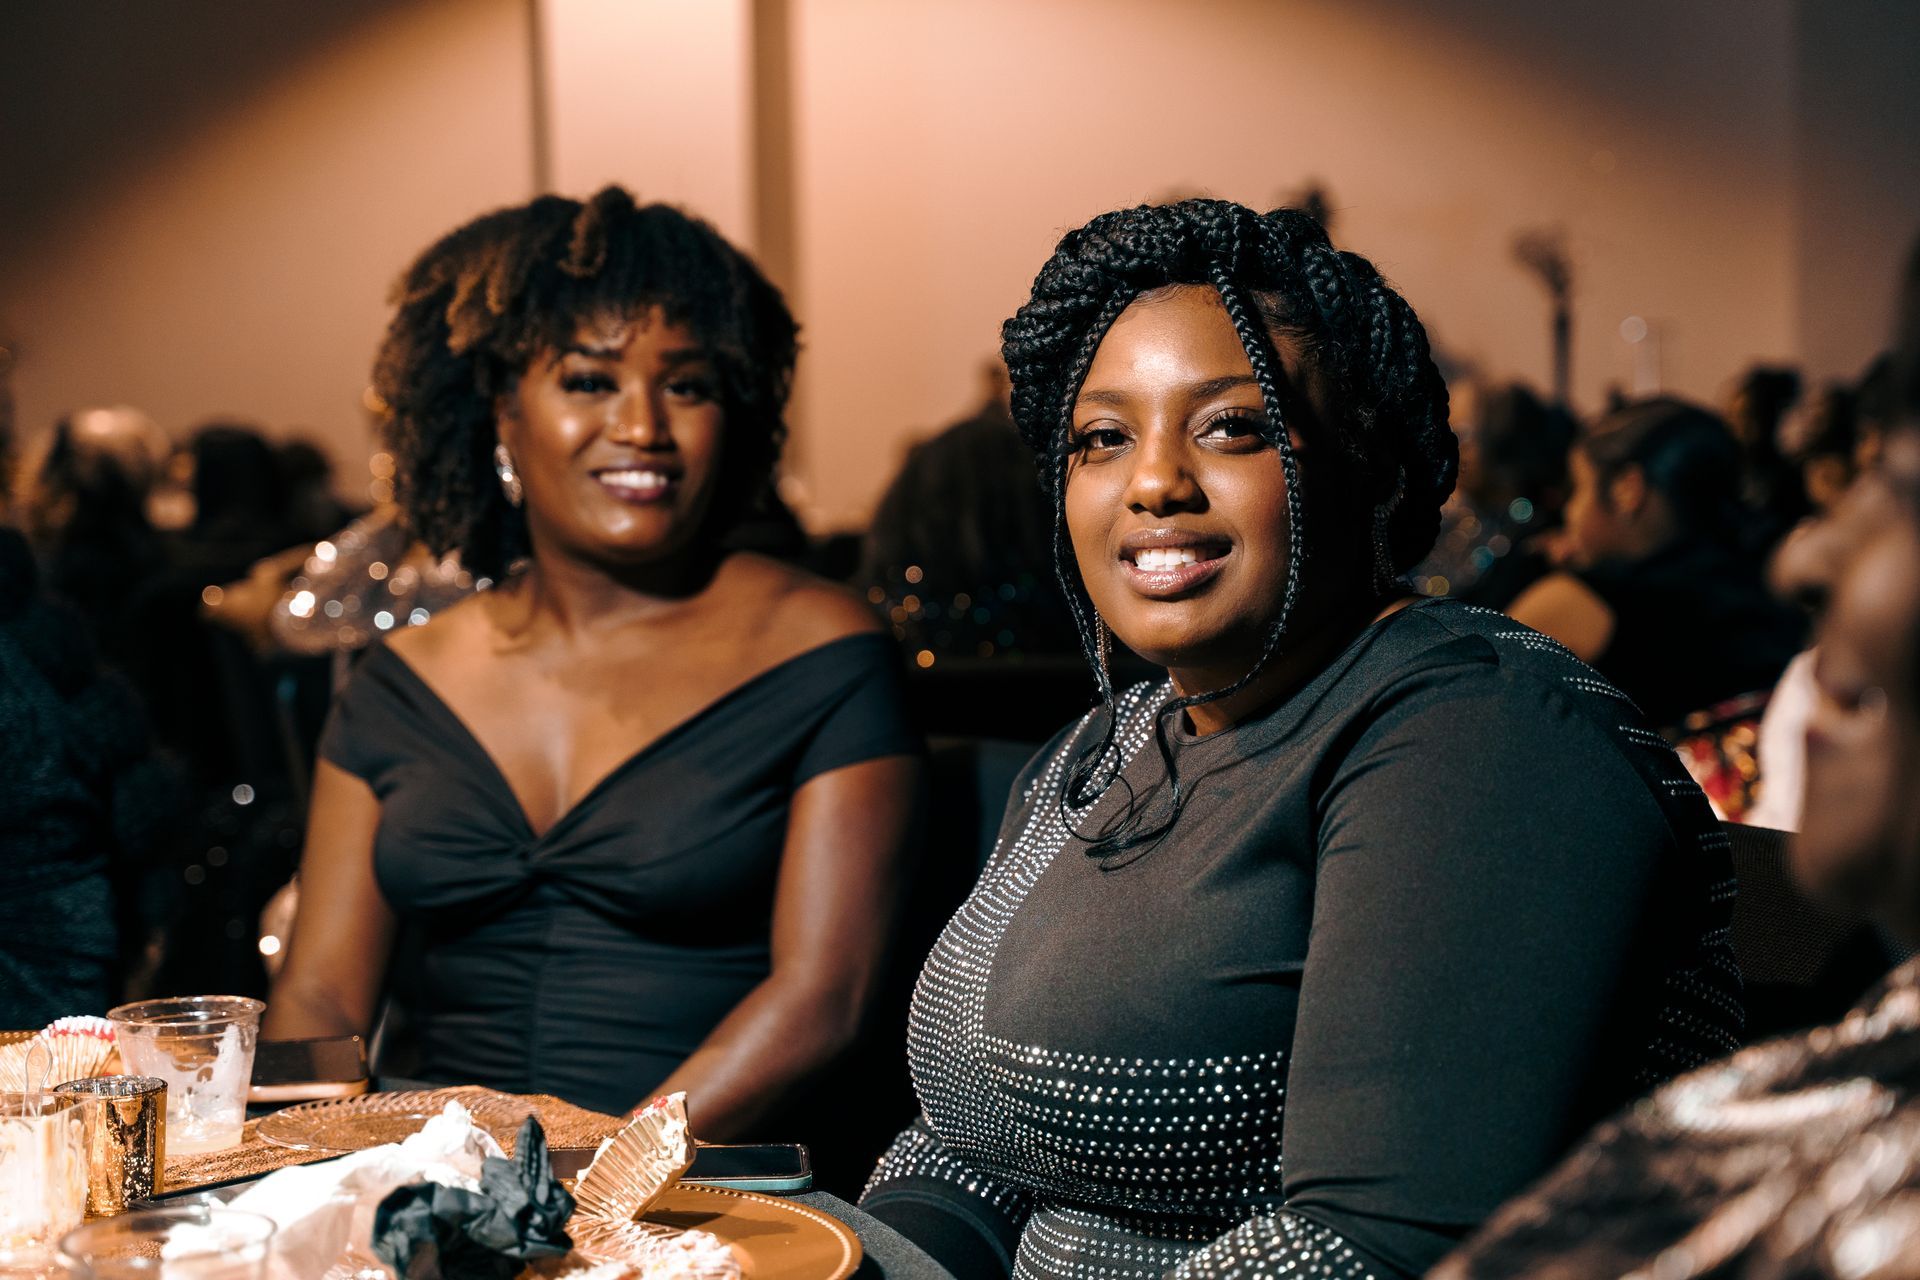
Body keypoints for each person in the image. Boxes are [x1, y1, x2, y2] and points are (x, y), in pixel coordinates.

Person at [858, 199, 1743, 1280]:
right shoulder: (1106, 744)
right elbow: (969, 1145)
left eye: (1232, 427)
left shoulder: (1483, 739)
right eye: (1103, 439)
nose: (1153, 482)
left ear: (1370, 464)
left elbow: (1381, 1243)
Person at [264, 188, 922, 1140]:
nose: (643, 426)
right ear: (501, 412)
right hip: (431, 1177)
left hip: (702, 1183)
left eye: (686, 385)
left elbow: (824, 998)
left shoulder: (820, 649)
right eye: (588, 381)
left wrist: (598, 1174)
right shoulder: (400, 681)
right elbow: (319, 996)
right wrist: (288, 1168)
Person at [1506, 398, 1806, 732]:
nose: (1569, 512)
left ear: (1628, 489)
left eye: (1578, 489)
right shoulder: (1778, 594)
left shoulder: (1577, 603)